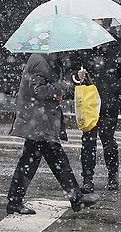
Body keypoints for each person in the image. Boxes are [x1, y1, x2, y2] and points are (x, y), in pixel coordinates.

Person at [7, 52, 97, 214]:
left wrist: (75, 79)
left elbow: (54, 85)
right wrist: (62, 87)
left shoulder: (48, 60)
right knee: (53, 160)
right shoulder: (40, 61)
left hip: (41, 121)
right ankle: (76, 198)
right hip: (38, 121)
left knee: (33, 161)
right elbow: (38, 91)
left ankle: (15, 201)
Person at [72, 20, 121, 193]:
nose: (93, 23)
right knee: (88, 142)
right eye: (91, 20)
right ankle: (87, 179)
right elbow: (71, 73)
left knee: (108, 140)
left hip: (109, 103)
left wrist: (114, 91)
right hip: (89, 102)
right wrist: (78, 77)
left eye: (97, 20)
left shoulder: (116, 45)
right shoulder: (81, 45)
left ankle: (112, 176)